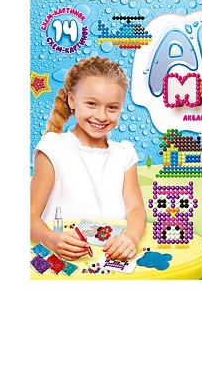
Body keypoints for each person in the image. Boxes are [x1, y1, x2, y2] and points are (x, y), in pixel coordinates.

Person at [30, 56, 147, 261]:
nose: (101, 116)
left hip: (109, 261)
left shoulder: (124, 153)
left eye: (112, 107)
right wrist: (52, 239)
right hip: (65, 260)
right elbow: (29, 216)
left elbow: (136, 208)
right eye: (92, 104)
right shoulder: (53, 147)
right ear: (72, 100)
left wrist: (131, 237)